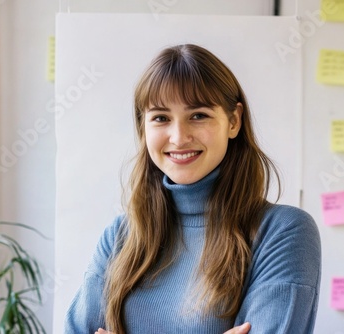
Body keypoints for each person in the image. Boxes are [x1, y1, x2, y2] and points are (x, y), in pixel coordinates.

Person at [65, 44, 321, 334]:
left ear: (234, 121)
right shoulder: (120, 236)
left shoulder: (282, 231)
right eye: (160, 118)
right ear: (143, 127)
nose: (178, 137)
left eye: (198, 115)